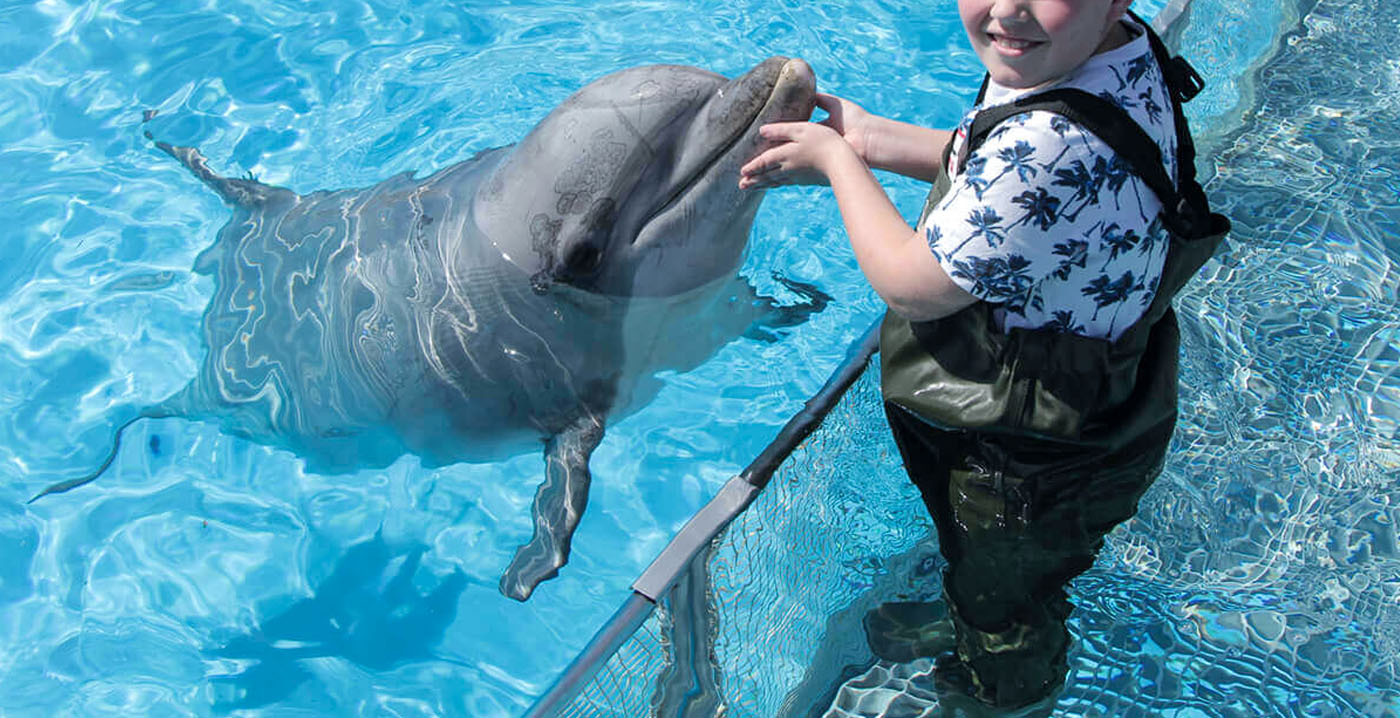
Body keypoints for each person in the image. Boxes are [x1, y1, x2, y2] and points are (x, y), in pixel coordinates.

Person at [741, 0, 1227, 712]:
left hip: (1034, 452)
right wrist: (872, 136)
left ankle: (1003, 686)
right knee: (991, 569)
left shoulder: (1054, 142)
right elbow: (994, 159)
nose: (1008, 9)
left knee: (1007, 595)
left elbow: (912, 286)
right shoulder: (1106, 49)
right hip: (1092, 395)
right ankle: (977, 612)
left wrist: (838, 164)